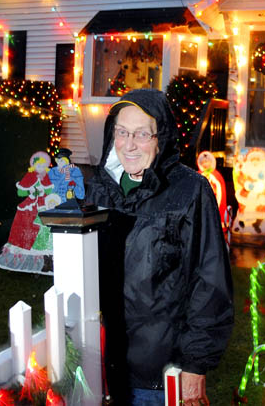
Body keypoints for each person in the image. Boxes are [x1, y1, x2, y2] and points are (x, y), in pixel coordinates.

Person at [85, 89, 234, 406]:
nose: (129, 144)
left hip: (158, 375)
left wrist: (195, 365)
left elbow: (210, 281)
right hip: (101, 369)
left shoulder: (189, 189)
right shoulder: (100, 187)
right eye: (122, 132)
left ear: (161, 137)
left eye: (142, 134)